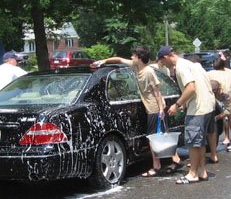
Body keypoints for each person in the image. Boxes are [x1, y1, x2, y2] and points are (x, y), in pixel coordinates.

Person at [92, 47, 168, 177]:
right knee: (157, 136)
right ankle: (171, 161)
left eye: (133, 55)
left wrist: (161, 109)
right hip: (149, 108)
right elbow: (119, 59)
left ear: (139, 57)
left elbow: (157, 92)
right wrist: (103, 61)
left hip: (154, 108)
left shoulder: (149, 71)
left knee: (153, 138)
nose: (131, 57)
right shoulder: (135, 65)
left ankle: (157, 167)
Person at [157, 46, 215, 184]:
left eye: (163, 63)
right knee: (199, 142)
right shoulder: (193, 65)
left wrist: (177, 105)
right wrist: (184, 103)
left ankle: (193, 173)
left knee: (193, 143)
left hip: (197, 110)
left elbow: (191, 87)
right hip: (207, 107)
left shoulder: (181, 67)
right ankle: (202, 171)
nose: (165, 66)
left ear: (166, 57)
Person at [207, 56, 231, 151]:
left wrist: (217, 117)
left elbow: (229, 110)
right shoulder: (208, 76)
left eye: (216, 93)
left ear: (220, 89)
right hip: (222, 81)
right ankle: (227, 137)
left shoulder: (226, 90)